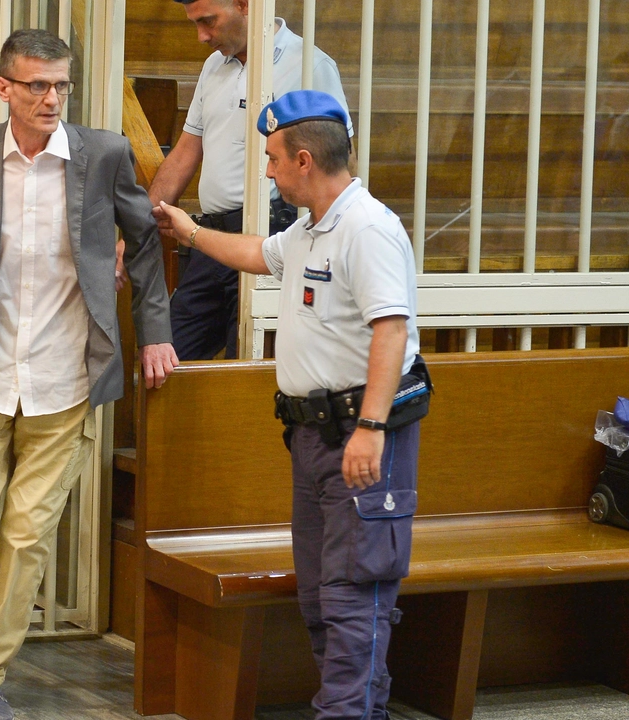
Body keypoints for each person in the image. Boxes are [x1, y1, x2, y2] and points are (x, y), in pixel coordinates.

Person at [0, 29, 179, 720]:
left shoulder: (105, 154)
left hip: (66, 378)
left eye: (61, 84)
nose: (51, 97)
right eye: (37, 85)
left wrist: (154, 333)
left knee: (27, 534)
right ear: (4, 88)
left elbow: (144, 242)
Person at [155, 90, 429, 720]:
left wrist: (371, 427)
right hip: (313, 440)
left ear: (304, 160)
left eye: (274, 158)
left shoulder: (368, 229)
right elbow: (257, 255)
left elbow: (391, 330)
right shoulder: (310, 230)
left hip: (360, 439)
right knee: (322, 599)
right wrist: (192, 232)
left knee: (354, 598)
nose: (269, 170)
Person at [128, 0, 348, 360]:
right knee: (165, 359)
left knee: (244, 365)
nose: (201, 36)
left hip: (270, 233)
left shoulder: (310, 65)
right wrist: (139, 230)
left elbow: (337, 159)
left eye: (208, 21)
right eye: (195, 24)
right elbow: (185, 152)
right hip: (210, 240)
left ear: (246, 5)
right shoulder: (214, 66)